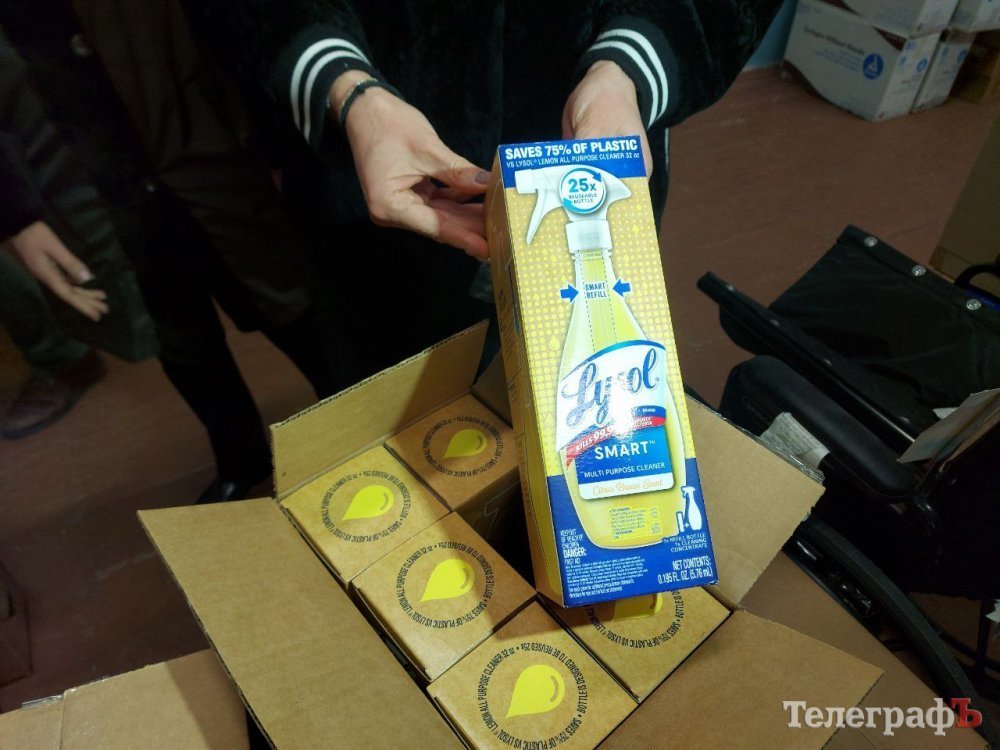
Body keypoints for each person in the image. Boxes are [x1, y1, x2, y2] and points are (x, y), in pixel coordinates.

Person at [188, 2, 783, 374]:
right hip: (371, 175)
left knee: (581, 394)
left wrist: (629, 64)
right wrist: (340, 83)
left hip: (593, 170)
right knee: (386, 401)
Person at [0, 3, 353, 501]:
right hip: (100, 186)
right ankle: (240, 455)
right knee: (180, 338)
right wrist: (16, 214)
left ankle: (352, 420)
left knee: (286, 301)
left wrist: (275, 146)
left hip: (201, 148)